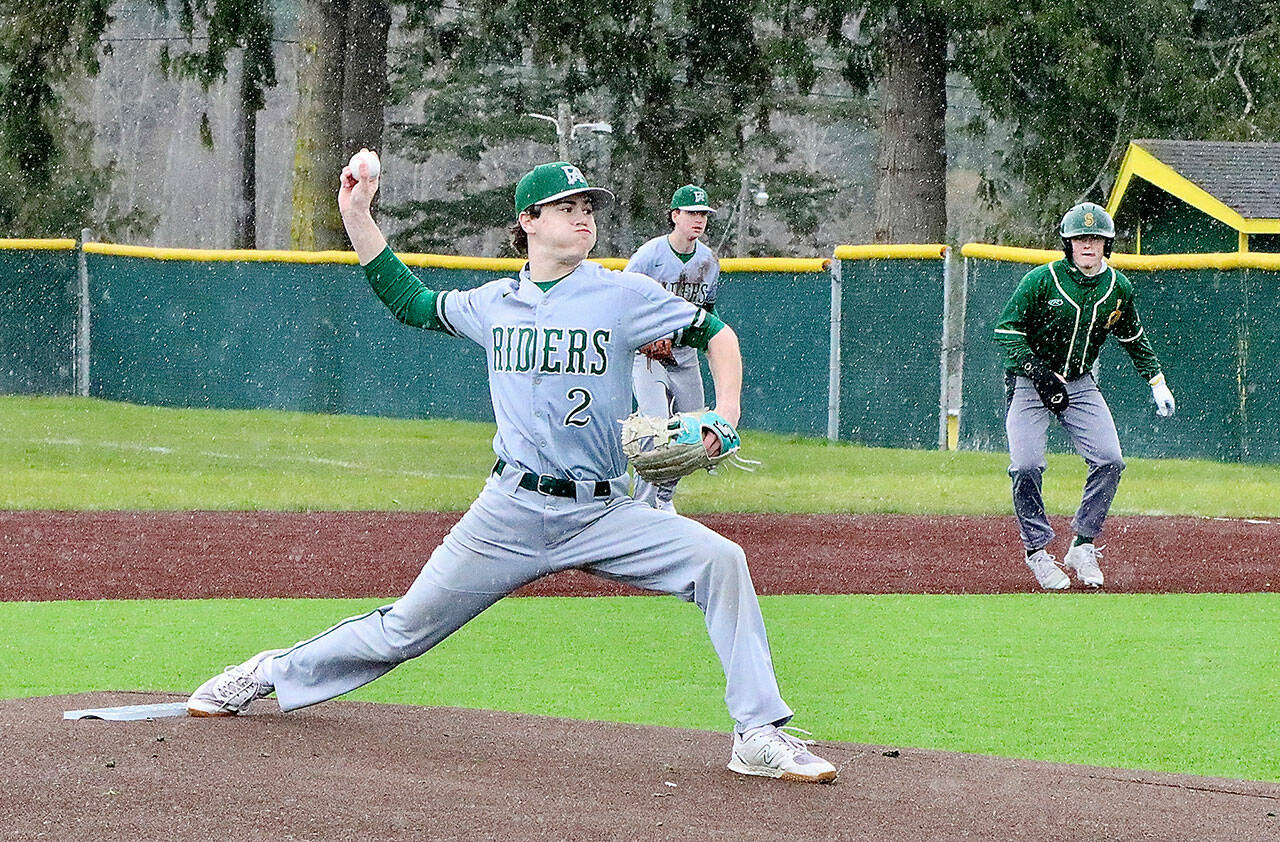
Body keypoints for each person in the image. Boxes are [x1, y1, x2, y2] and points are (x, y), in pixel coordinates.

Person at [185, 158, 837, 784]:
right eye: (568, 208)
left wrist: (725, 412)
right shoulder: (495, 302)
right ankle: (268, 672)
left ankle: (756, 733)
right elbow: (411, 301)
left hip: (605, 510)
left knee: (719, 560)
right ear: (528, 220)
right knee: (402, 631)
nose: (584, 219)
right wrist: (357, 215)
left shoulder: (622, 295)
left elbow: (715, 333)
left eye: (589, 208)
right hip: (510, 513)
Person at [994, 202, 1176, 591]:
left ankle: (1082, 544)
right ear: (1068, 243)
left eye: (1095, 238)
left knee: (1110, 460)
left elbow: (1132, 337)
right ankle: (1038, 552)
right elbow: (1007, 332)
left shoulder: (1118, 287)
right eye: (1080, 238)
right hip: (1030, 381)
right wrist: (1037, 372)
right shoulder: (1042, 280)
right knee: (1026, 465)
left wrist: (1156, 380)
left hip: (1079, 381)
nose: (1088, 245)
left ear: (1107, 245)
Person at [625, 184, 722, 513]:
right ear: (674, 216)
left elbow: (707, 313)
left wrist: (694, 340)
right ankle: (641, 507)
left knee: (691, 433)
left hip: (683, 356)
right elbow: (622, 302)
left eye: (703, 215)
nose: (699, 220)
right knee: (654, 429)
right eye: (692, 213)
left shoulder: (708, 261)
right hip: (647, 356)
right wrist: (647, 335)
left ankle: (663, 498)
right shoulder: (649, 256)